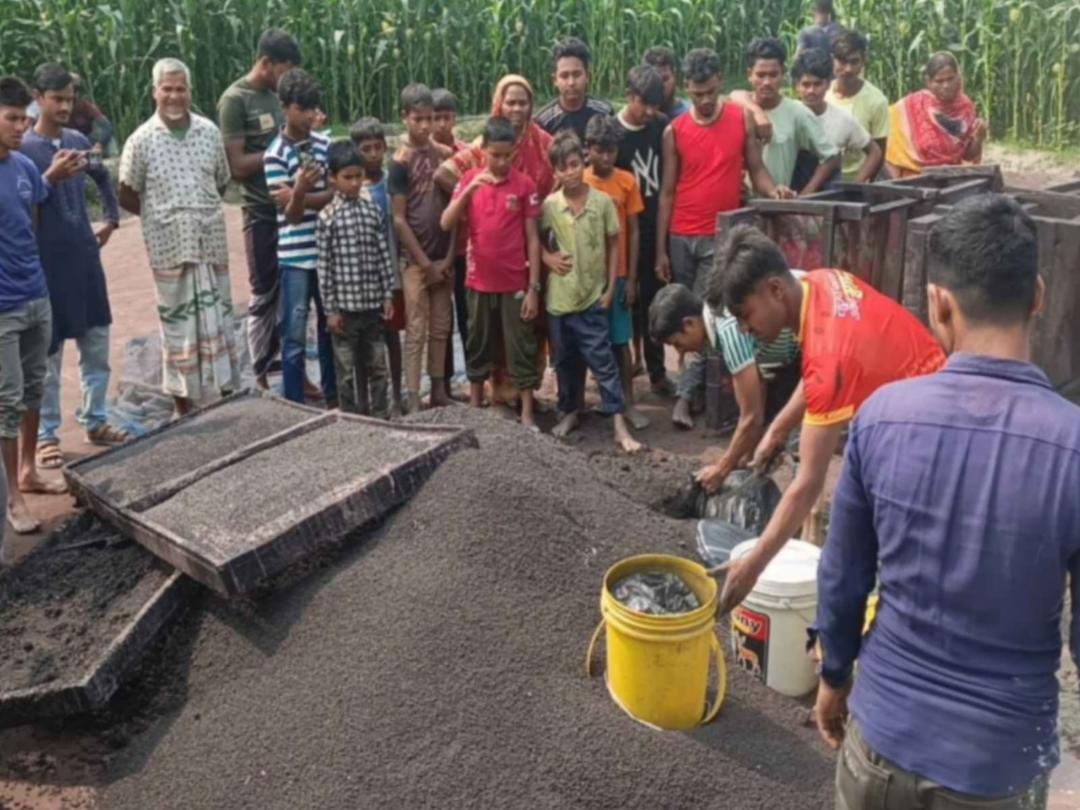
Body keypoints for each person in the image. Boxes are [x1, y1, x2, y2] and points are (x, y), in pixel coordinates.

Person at [814, 194, 1076, 809]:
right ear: (1036, 296)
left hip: (880, 743)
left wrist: (834, 678)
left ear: (939, 303)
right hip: (996, 768)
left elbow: (844, 576)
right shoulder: (1072, 447)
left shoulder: (881, 418)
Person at [710, 225, 945, 615]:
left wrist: (752, 567)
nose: (747, 332)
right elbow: (824, 367)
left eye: (746, 315)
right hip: (924, 390)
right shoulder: (821, 281)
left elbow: (806, 485)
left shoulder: (828, 358)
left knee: (901, 555)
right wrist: (778, 429)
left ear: (774, 290)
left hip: (926, 433)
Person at [654, 47, 787, 430]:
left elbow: (757, 170)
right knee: (685, 320)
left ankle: (695, 399)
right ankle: (694, 394)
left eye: (711, 91)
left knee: (710, 317)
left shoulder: (740, 118)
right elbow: (667, 192)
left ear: (721, 83)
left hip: (720, 236)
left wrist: (773, 191)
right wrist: (661, 248)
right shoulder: (674, 131)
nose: (706, 100)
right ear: (687, 89)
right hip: (682, 234)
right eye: (697, 94)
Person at [118, 59, 241, 418]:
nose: (173, 96)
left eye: (180, 89)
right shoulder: (140, 140)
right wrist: (161, 218)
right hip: (169, 248)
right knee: (178, 324)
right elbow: (127, 192)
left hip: (210, 242)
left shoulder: (208, 133)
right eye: (167, 89)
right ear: (155, 92)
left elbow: (221, 181)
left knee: (218, 315)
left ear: (190, 91)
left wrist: (196, 213)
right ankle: (181, 402)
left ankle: (226, 389)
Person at [22, 63, 127, 473]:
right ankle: (48, 435)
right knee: (48, 355)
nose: (64, 106)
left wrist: (112, 219)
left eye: (69, 99)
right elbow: (21, 202)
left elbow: (101, 177)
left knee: (96, 341)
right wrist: (50, 176)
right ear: (38, 98)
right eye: (57, 99)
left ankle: (95, 419)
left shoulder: (78, 140)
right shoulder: (25, 150)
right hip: (46, 265)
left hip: (85, 258)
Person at [0, 75, 82, 533]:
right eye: (11, 119)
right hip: (3, 309)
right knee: (7, 400)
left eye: (22, 119)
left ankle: (29, 470)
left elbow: (29, 231)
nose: (20, 127)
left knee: (34, 389)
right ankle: (12, 496)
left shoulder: (25, 170)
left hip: (36, 297)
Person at [541, 131, 642, 454]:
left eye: (573, 164)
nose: (569, 172)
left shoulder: (601, 203)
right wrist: (547, 257)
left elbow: (615, 244)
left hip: (592, 297)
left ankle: (618, 422)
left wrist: (612, 286)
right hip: (559, 299)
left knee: (603, 360)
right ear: (554, 172)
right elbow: (533, 239)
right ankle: (571, 412)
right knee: (565, 361)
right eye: (562, 168)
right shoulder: (550, 206)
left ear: (581, 162)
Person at [649, 282, 800, 494]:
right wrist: (744, 455)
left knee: (802, 445)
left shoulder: (728, 329)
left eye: (677, 343)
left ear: (689, 323)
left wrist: (722, 469)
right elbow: (759, 389)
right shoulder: (716, 317)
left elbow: (751, 416)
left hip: (816, 333)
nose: (680, 352)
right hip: (792, 354)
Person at [440, 117, 541, 428]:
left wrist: (534, 288)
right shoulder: (469, 181)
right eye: (494, 155)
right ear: (482, 150)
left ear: (513, 153)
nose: (500, 161)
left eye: (506, 155)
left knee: (520, 345)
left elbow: (533, 239)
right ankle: (474, 406)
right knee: (477, 342)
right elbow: (446, 223)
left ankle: (526, 413)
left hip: (514, 282)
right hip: (478, 281)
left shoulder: (524, 185)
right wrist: (469, 188)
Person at [218, 28, 300, 390]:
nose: (287, 79)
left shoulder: (275, 98)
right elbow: (236, 165)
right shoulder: (235, 100)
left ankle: (290, 370)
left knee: (292, 295)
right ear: (266, 63)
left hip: (291, 213)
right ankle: (261, 376)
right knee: (263, 293)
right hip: (260, 214)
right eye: (284, 70)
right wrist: (280, 150)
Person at [263, 67, 336, 406]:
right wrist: (305, 191)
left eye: (312, 108)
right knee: (293, 336)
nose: (309, 115)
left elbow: (334, 195)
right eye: (301, 108)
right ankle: (295, 405)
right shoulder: (274, 155)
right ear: (285, 107)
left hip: (325, 252)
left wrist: (297, 194)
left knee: (330, 328)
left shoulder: (325, 145)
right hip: (294, 257)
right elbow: (291, 218)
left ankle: (334, 398)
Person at [316, 141, 396, 418]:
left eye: (357, 177)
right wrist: (331, 310)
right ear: (333, 179)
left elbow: (383, 254)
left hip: (372, 307)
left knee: (377, 365)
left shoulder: (372, 211)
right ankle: (350, 420)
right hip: (345, 313)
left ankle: (382, 415)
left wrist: (387, 294)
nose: (353, 183)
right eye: (346, 178)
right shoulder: (328, 218)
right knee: (346, 371)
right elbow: (324, 268)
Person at [389, 83, 455, 413]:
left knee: (442, 325)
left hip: (443, 256)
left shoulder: (442, 156)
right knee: (416, 328)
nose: (426, 126)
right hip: (415, 261)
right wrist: (425, 263)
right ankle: (413, 396)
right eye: (419, 119)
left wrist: (447, 256)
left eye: (430, 119)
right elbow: (399, 220)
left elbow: (456, 205)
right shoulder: (400, 163)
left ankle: (439, 389)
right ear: (405, 118)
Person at [584, 114, 648, 430]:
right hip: (586, 277)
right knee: (588, 339)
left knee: (620, 340)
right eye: (599, 150)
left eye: (610, 151)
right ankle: (591, 402)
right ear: (589, 149)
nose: (606, 157)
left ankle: (628, 402)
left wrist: (632, 278)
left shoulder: (626, 182)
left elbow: (634, 231)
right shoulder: (578, 181)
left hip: (619, 273)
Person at [615, 64, 674, 396]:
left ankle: (657, 371)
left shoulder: (661, 126)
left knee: (654, 300)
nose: (650, 112)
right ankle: (623, 373)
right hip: (623, 232)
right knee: (626, 299)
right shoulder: (613, 132)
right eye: (644, 104)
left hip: (653, 225)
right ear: (629, 97)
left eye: (656, 105)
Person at [732, 37, 841, 195]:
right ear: (750, 75)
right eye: (761, 75)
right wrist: (757, 112)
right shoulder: (738, 107)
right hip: (737, 202)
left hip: (776, 204)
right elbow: (732, 95)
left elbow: (831, 156)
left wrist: (806, 194)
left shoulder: (797, 112)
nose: (767, 82)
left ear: (783, 73)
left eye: (773, 75)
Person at [350, 116, 404, 415]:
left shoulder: (389, 184)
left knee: (392, 334)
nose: (372, 154)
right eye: (365, 148)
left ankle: (396, 396)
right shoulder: (352, 188)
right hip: (361, 279)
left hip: (391, 271)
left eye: (377, 148)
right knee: (362, 342)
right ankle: (364, 400)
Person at [789, 48, 881, 190]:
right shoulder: (788, 113)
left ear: (827, 84)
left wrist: (855, 187)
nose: (811, 91)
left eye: (817, 84)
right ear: (796, 85)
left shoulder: (842, 119)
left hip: (829, 198)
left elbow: (875, 152)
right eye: (806, 85)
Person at [886, 52, 987, 178]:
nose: (946, 86)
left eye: (951, 79)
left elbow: (969, 156)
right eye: (939, 81)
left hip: (951, 180)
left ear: (959, 77)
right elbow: (892, 153)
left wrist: (979, 137)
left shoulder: (965, 107)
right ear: (928, 82)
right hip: (913, 182)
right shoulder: (908, 107)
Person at [432, 87, 470, 381]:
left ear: (455, 118)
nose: (442, 124)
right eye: (436, 118)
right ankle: (441, 383)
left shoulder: (466, 153)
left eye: (447, 117)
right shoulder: (422, 153)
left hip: (464, 247)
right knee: (440, 320)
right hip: (435, 247)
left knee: (468, 317)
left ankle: (474, 377)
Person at [827, 30, 889, 177]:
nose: (848, 69)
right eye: (842, 62)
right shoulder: (822, 95)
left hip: (860, 180)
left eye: (854, 62)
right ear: (832, 60)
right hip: (825, 180)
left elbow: (879, 153)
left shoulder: (877, 101)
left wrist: (859, 187)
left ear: (863, 62)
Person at [534, 37, 613, 140]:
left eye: (577, 74)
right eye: (564, 76)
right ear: (555, 80)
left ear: (588, 76)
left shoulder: (604, 112)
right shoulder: (544, 121)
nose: (571, 82)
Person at [642, 47, 689, 119]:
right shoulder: (639, 117)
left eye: (665, 79)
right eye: (655, 80)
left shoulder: (689, 115)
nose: (661, 85)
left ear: (675, 76)